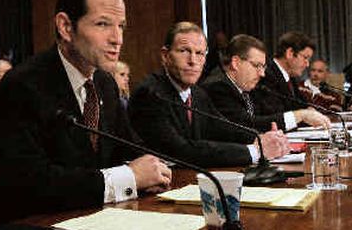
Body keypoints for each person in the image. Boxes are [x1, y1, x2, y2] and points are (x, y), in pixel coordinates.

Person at [0, 0, 171, 220]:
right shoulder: (22, 85)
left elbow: (127, 147)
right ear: (66, 27)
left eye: (121, 26)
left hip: (100, 218)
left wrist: (153, 170)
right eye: (103, 24)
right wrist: (128, 177)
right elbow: (27, 183)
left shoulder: (104, 83)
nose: (117, 39)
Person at [129, 22, 289, 168]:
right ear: (165, 56)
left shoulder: (198, 93)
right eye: (184, 51)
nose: (193, 60)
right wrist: (255, 151)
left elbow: (223, 128)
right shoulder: (150, 94)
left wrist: (262, 138)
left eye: (199, 53)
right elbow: (181, 151)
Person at [203, 35, 331, 132]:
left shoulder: (244, 87)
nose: (262, 74)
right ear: (236, 63)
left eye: (263, 67)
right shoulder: (218, 87)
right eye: (257, 66)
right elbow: (245, 125)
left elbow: (261, 118)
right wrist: (299, 115)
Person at [252, 31, 330, 130]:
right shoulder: (266, 75)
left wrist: (310, 111)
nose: (307, 64)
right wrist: (304, 115)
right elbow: (275, 116)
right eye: (305, 58)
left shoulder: (290, 77)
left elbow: (301, 106)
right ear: (290, 53)